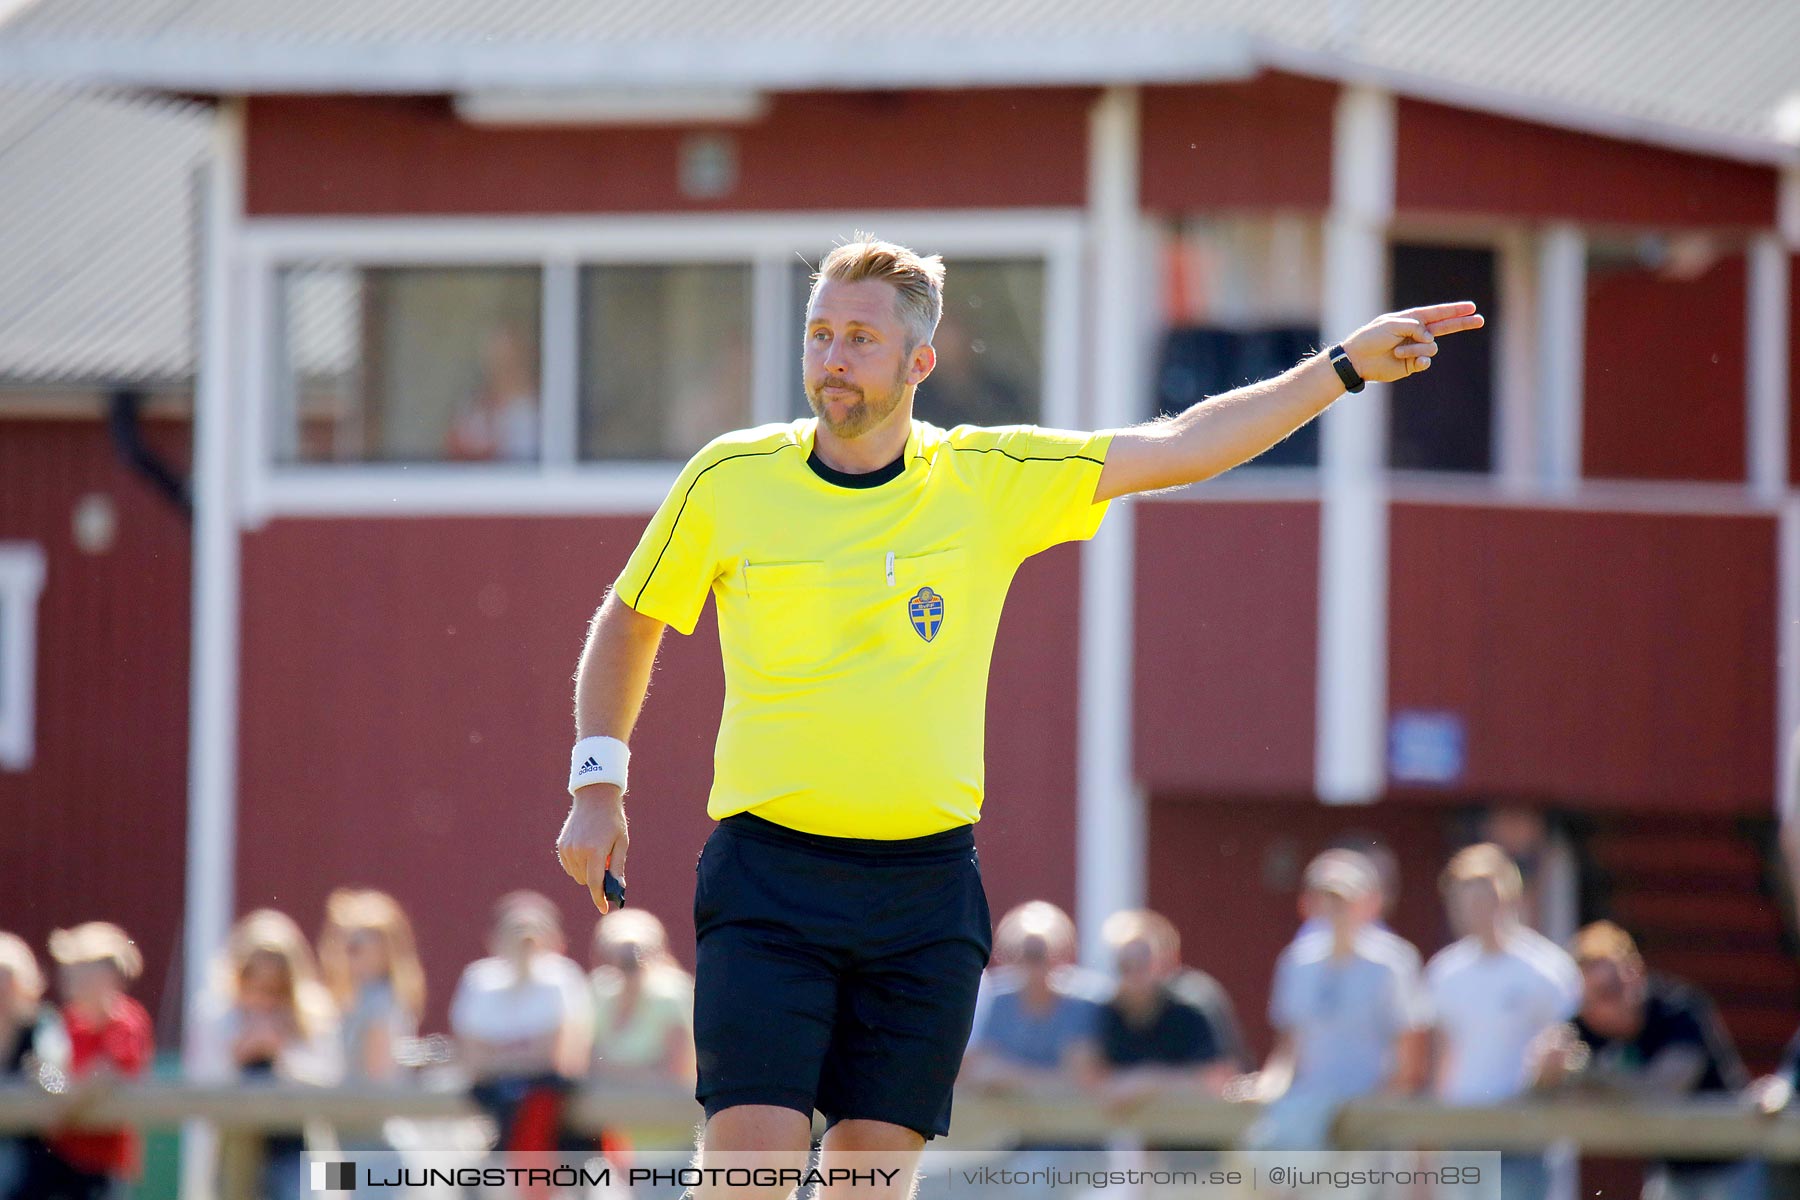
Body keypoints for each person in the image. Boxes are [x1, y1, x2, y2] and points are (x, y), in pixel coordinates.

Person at [555, 232, 1482, 1196]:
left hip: (924, 890)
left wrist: (1339, 369)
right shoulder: (729, 477)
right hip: (769, 876)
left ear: (920, 362)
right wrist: (598, 780)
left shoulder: (988, 478)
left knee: (871, 1176)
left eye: (860, 339)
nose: (832, 356)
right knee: (750, 1162)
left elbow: (1179, 445)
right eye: (819, 332)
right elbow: (631, 619)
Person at [1536, 921, 1752, 1200]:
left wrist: (1588, 1075)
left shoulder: (1677, 1011)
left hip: (1729, 1163)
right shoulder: (1582, 1028)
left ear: (1635, 973)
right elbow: (1545, 1089)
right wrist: (1547, 1072)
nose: (1610, 1004)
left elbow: (1661, 1092)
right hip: (1670, 1168)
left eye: (1614, 987)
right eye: (1595, 997)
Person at [1426, 844, 1581, 1200]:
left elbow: (1565, 1050)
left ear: (1509, 899)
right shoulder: (1445, 972)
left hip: (1525, 1132)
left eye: (1485, 898)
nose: (1476, 910)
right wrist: (1431, 1140)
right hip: (1463, 1132)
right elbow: (1442, 1059)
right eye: (1466, 900)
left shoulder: (1546, 969)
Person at [1248, 852, 1430, 1149]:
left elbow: (1410, 1048)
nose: (1333, 910)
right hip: (1309, 1111)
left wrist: (1381, 1106)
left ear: (1368, 904)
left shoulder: (1393, 963)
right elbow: (1289, 1047)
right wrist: (1268, 1087)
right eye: (1325, 899)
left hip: (1369, 1113)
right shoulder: (1297, 962)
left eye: (1342, 900)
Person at [449, 892, 593, 1155]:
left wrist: (500, 1052)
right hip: (489, 1104)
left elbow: (560, 1057)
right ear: (494, 939)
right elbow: (473, 1061)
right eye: (515, 931)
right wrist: (526, 1051)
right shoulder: (478, 981)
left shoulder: (564, 978)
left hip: (551, 1113)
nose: (525, 941)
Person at [32, 923, 154, 1200]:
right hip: (61, 1154)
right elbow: (46, 1071)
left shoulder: (126, 1020)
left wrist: (66, 1103)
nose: (74, 980)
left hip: (105, 1159)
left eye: (85, 972)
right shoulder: (65, 1022)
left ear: (111, 975)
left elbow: (110, 1071)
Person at [1091, 910, 1235, 1117]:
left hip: (1195, 1134)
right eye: (1124, 965)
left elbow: (1219, 1078)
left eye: (1141, 963)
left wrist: (1148, 1082)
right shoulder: (1106, 1016)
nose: (1134, 975)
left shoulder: (1193, 1008)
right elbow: (1092, 1077)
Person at [960, 902, 1102, 1096]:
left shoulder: (1079, 1006)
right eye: (1023, 954)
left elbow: (1082, 1077)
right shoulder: (999, 1002)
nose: (1031, 966)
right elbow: (980, 1067)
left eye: (1038, 955)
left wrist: (1011, 1076)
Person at [587, 909, 695, 1088]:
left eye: (634, 956)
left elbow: (679, 1069)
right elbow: (584, 1058)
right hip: (606, 1104)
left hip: (660, 1105)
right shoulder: (598, 993)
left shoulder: (671, 997)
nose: (628, 963)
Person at [0, 932, 68, 1200]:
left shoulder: (41, 1028)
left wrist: (41, 1071)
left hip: (30, 1151)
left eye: (7, 981)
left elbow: (55, 1080)